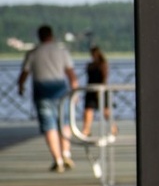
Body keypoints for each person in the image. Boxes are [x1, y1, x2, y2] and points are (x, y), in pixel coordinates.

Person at [17, 25, 78, 172]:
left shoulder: (33, 53)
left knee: (49, 127)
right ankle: (66, 153)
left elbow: (24, 74)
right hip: (61, 93)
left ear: (39, 36)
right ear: (52, 35)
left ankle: (57, 159)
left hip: (42, 94)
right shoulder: (61, 51)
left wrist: (21, 87)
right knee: (64, 124)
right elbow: (71, 75)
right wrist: (75, 92)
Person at [82, 45, 115, 137]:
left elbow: (104, 77)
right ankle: (86, 129)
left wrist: (101, 88)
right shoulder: (92, 65)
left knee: (105, 111)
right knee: (88, 110)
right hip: (91, 89)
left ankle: (113, 127)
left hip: (100, 89)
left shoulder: (102, 64)